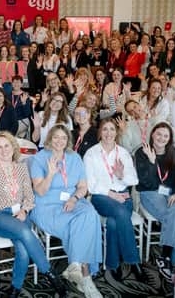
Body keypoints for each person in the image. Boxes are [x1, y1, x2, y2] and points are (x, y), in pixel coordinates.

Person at [0, 132, 66, 297]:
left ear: (13, 147)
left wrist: (25, 210)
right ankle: (50, 273)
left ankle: (15, 288)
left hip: (20, 213)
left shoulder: (22, 167)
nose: (4, 150)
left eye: (7, 146)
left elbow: (30, 195)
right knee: (26, 232)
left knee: (23, 250)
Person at [28, 124, 102, 297]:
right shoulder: (39, 158)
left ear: (68, 140)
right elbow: (39, 191)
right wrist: (51, 174)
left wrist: (74, 198)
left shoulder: (74, 157)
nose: (59, 141)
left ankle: (76, 265)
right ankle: (85, 275)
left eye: (63, 137)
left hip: (72, 200)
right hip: (46, 206)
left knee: (91, 214)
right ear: (50, 138)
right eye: (56, 137)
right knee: (84, 224)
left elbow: (83, 187)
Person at [84, 118, 144, 283]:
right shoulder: (91, 153)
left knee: (112, 222)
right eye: (105, 129)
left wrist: (121, 176)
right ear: (100, 133)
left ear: (117, 132)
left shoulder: (123, 153)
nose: (108, 133)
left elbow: (134, 180)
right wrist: (111, 194)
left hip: (124, 195)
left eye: (112, 129)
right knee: (119, 212)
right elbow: (91, 185)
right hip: (101, 198)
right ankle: (133, 260)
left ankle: (112, 263)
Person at [135, 123, 175, 281]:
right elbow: (146, 182)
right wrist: (151, 162)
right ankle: (173, 260)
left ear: (170, 138)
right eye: (158, 134)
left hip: (171, 193)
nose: (161, 138)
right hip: (150, 192)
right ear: (152, 135)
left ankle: (165, 257)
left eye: (166, 136)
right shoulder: (142, 151)